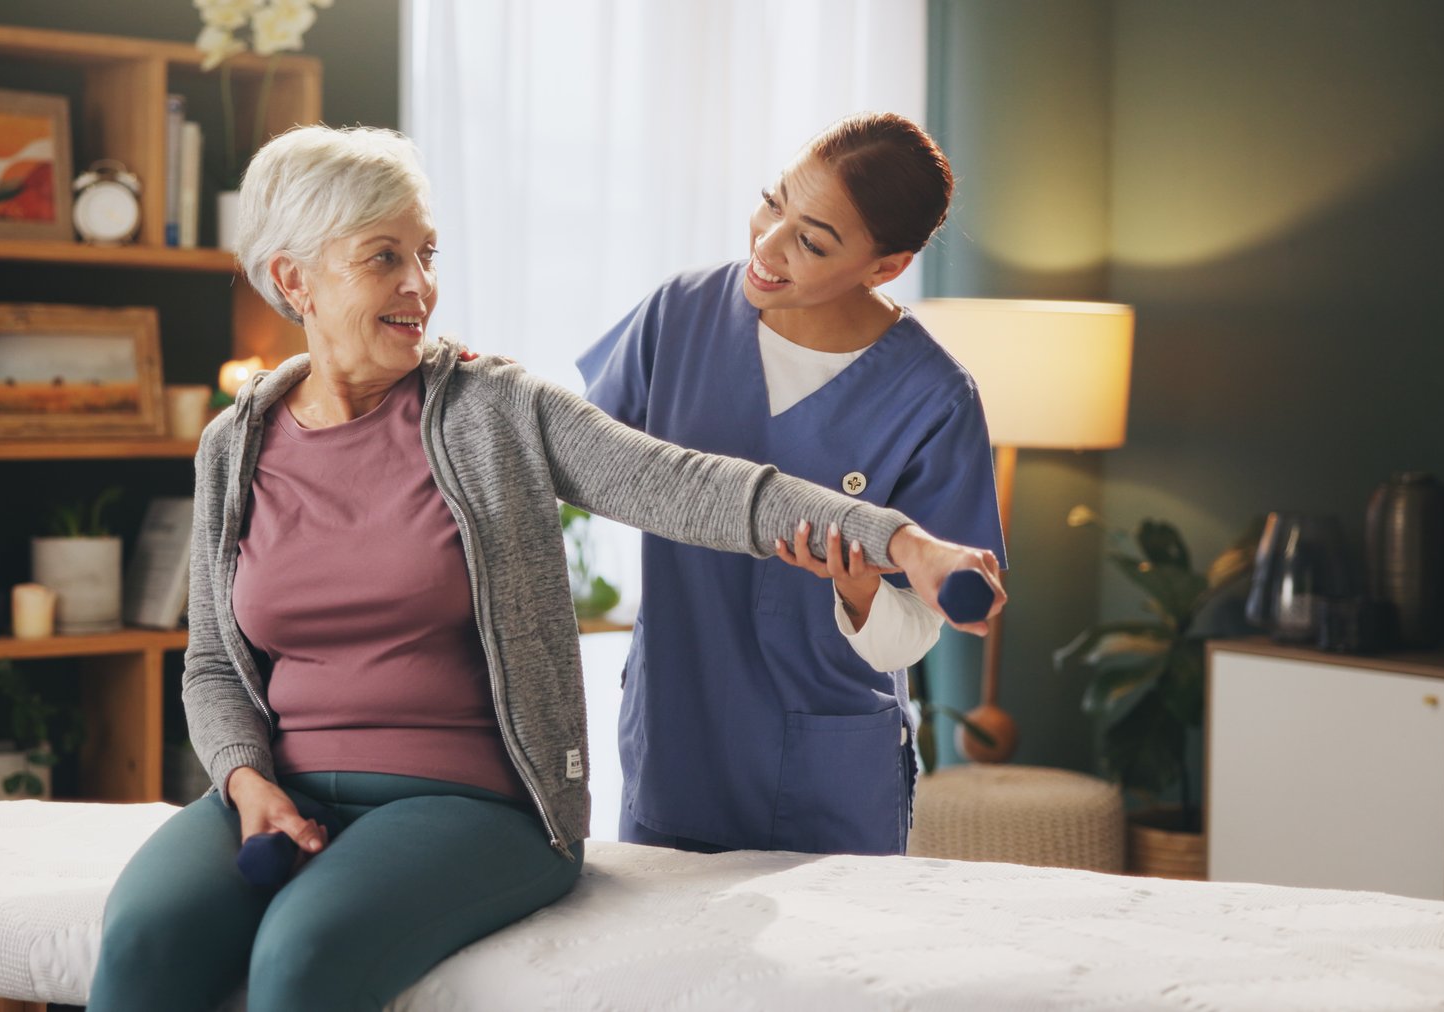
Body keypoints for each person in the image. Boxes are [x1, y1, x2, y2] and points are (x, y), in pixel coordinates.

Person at [85, 125, 1002, 1012]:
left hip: (466, 793)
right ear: (295, 280)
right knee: (140, 942)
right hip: (293, 780)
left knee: (300, 952)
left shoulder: (493, 409)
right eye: (385, 258)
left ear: (882, 266)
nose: (423, 285)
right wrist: (246, 783)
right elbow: (211, 663)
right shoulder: (234, 445)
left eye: (428, 252)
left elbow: (682, 482)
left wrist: (903, 545)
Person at [577, 112, 1007, 857]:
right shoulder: (679, 315)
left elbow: (913, 635)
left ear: (885, 266)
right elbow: (591, 461)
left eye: (811, 240)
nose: (767, 246)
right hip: (679, 739)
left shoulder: (934, 398)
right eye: (773, 203)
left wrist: (864, 593)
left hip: (824, 772)